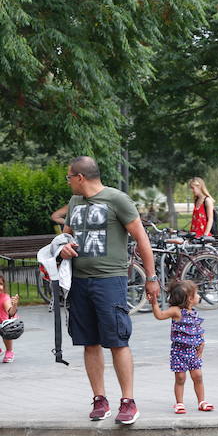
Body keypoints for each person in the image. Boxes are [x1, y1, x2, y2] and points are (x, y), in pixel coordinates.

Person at [57, 156, 159, 424]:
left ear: (80, 177)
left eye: (69, 177)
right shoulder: (75, 202)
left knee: (117, 340)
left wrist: (151, 277)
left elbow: (141, 238)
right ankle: (99, 399)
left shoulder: (117, 200)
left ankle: (128, 401)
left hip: (110, 281)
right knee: (89, 342)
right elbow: (65, 237)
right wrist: (63, 248)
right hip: (79, 281)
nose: (68, 182)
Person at [150, 280, 213, 413]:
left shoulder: (193, 312)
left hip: (193, 351)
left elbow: (198, 329)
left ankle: (201, 401)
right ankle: (179, 403)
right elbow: (159, 315)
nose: (198, 296)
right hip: (179, 352)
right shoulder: (176, 311)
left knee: (198, 376)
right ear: (190, 298)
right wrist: (154, 303)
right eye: (196, 294)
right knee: (180, 378)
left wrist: (201, 343)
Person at [0, 274, 20, 363]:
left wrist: (14, 304)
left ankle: (9, 351)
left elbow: (11, 312)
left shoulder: (4, 298)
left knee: (6, 328)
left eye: (1, 284)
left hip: (5, 323)